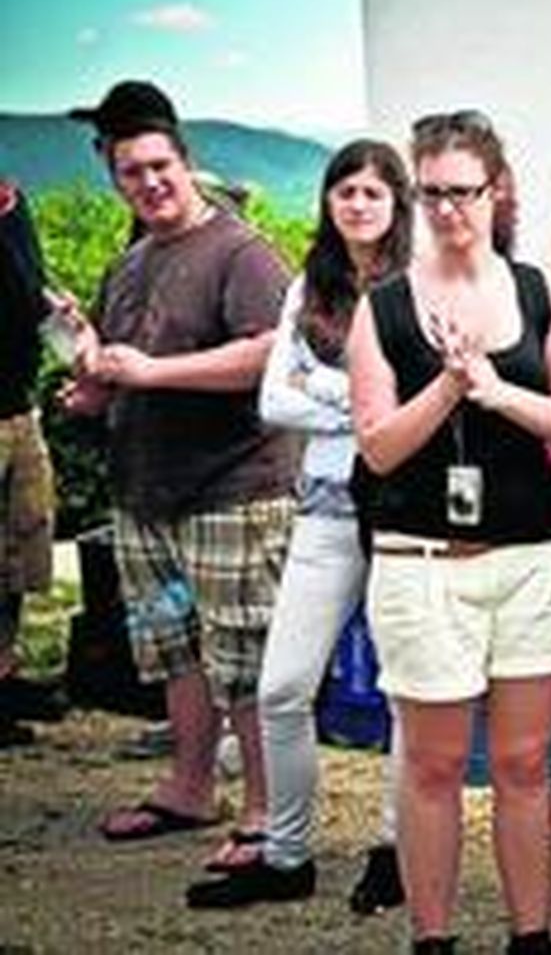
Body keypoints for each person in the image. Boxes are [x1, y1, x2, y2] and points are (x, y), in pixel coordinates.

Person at [347, 110, 551, 955]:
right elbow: (377, 447)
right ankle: (434, 939)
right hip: (421, 563)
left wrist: (495, 388)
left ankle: (531, 937)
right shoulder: (382, 307)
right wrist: (449, 387)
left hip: (532, 560)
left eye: (465, 192)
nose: (449, 209)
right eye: (434, 193)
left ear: (497, 192)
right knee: (435, 764)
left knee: (527, 762)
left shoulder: (541, 292)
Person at [59, 81, 297, 870]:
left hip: (233, 491)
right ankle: (190, 788)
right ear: (114, 178)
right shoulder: (130, 263)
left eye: (160, 165)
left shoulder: (242, 251)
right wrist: (95, 387)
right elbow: (124, 366)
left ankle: (267, 811)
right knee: (174, 649)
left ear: (187, 163)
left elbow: (270, 353)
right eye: (131, 172)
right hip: (147, 499)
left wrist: (155, 372)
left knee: (246, 657)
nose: (150, 182)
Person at [183, 140, 414, 909]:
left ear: (396, 203)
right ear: (328, 202)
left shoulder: (420, 284)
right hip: (322, 506)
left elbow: (414, 403)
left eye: (372, 192)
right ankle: (286, 855)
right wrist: (363, 400)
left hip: (402, 506)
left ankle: (397, 846)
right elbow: (273, 402)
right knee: (283, 688)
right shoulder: (306, 286)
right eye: (343, 190)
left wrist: (327, 386)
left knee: (405, 691)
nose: (356, 204)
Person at [0, 181, 66, 748]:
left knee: (21, 549)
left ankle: (4, 674)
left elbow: (27, 287)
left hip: (17, 404)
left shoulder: (11, 200)